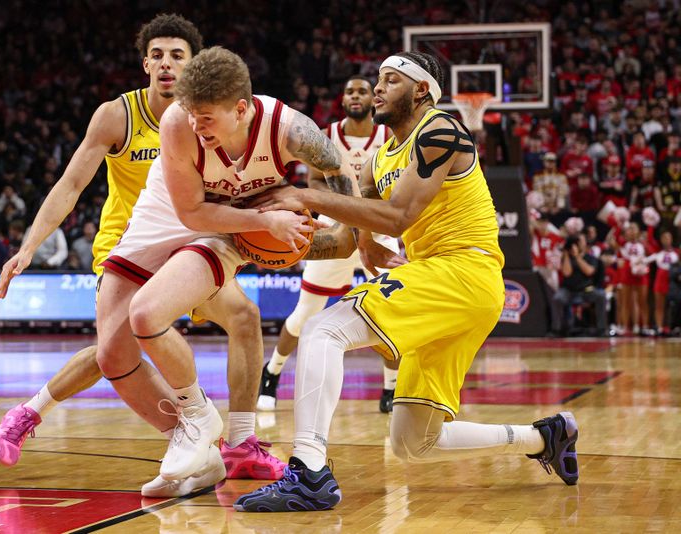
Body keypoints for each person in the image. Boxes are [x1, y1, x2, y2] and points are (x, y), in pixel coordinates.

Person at [235, 51, 579, 513]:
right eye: (378, 78)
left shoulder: (440, 129)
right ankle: (544, 437)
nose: (377, 88)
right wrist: (255, 248)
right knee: (413, 441)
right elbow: (345, 240)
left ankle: (308, 473)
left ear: (421, 90)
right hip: (450, 283)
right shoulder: (379, 159)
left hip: (463, 270)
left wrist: (302, 193)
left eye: (391, 80)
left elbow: (396, 218)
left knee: (323, 329)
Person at [0, 15, 285, 497]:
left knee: (245, 318)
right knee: (113, 350)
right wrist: (28, 248)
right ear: (145, 61)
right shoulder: (116, 115)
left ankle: (240, 442)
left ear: (195, 64)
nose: (167, 64)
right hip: (128, 246)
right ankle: (36, 412)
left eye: (178, 56)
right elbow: (71, 184)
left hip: (189, 242)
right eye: (159, 55)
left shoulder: (210, 116)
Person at [104, 46, 358, 485]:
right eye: (191, 115)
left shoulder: (290, 130)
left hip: (224, 231)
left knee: (158, 315)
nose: (197, 126)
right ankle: (197, 418)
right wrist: (268, 222)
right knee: (114, 349)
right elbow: (191, 213)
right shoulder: (178, 124)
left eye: (207, 118)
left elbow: (341, 183)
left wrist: (344, 237)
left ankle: (235, 441)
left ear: (241, 109)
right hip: (177, 217)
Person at [258, 75, 401, 413]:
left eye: (362, 90)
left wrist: (363, 210)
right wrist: (348, 205)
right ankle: (272, 373)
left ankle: (390, 390)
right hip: (337, 231)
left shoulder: (389, 136)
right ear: (343, 99)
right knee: (305, 313)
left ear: (373, 98)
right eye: (350, 91)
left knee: (391, 313)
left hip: (377, 231)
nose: (355, 95)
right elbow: (314, 181)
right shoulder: (327, 136)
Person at [550, 234, 607, 336]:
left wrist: (577, 257)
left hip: (586, 290)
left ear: (585, 243)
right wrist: (566, 254)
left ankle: (601, 329)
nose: (578, 244)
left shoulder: (590, 257)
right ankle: (556, 329)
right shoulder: (566, 257)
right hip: (568, 290)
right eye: (577, 242)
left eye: (580, 241)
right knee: (557, 298)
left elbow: (589, 271)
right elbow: (566, 273)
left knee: (601, 296)